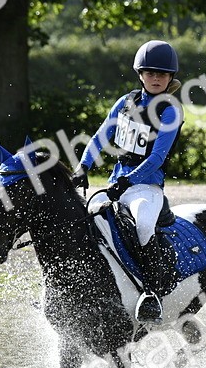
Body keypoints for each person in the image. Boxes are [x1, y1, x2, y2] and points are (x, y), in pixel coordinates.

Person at [73, 39, 183, 322]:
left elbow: (157, 158)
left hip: (146, 188)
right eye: (150, 73)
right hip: (115, 183)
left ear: (170, 77)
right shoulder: (126, 103)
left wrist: (129, 181)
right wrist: (82, 167)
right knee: (81, 219)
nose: (156, 78)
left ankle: (151, 293)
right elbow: (99, 137)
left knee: (144, 224)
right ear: (140, 74)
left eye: (162, 74)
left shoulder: (170, 110)